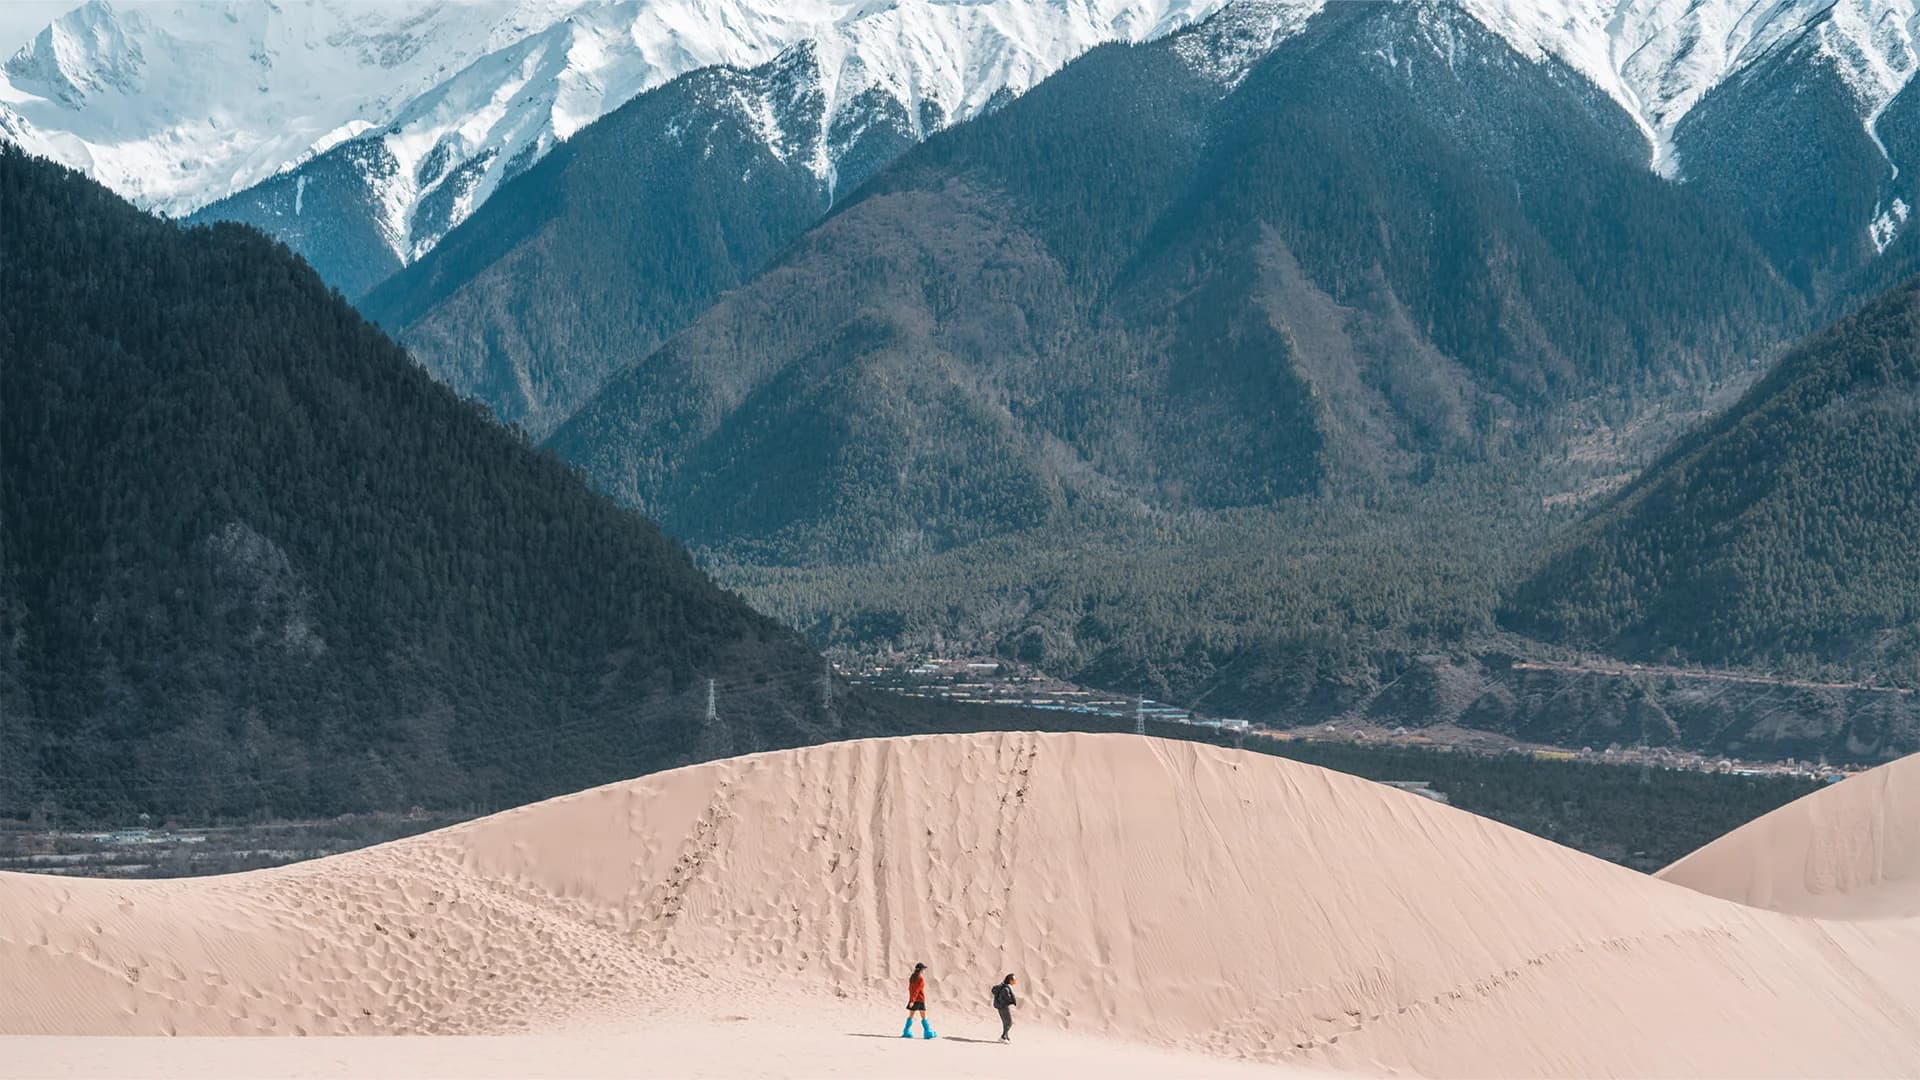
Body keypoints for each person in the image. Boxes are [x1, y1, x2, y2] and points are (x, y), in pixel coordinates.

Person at [903, 962, 937, 1039]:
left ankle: (906, 1031)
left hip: (913, 999)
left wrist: (911, 1000)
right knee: (923, 1017)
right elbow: (917, 990)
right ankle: (927, 1032)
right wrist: (912, 1000)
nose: (923, 971)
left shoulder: (912, 977)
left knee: (911, 1016)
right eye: (923, 969)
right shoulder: (920, 978)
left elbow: (911, 989)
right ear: (921, 970)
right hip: (920, 999)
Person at [991, 973, 1018, 1042]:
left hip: (1002, 1006)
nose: (1015, 981)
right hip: (1003, 1007)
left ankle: (1006, 1036)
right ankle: (1003, 1037)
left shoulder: (1006, 987)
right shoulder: (1006, 988)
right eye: (1014, 979)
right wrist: (1011, 1001)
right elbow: (1005, 998)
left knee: (1006, 1022)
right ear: (1010, 980)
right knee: (1009, 1022)